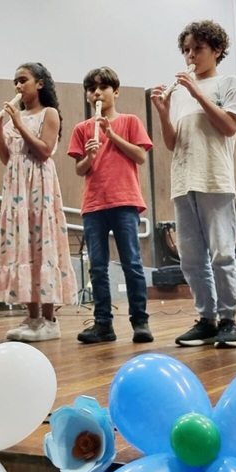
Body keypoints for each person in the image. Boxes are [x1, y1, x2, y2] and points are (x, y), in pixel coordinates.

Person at [152, 21, 236, 349]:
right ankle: (207, 319)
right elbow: (171, 143)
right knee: (191, 259)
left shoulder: (228, 83)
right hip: (183, 180)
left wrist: (197, 93)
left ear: (217, 50)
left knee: (222, 254)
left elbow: (229, 127)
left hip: (214, 178)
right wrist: (163, 112)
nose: (190, 55)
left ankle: (229, 319)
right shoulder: (179, 92)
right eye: (186, 50)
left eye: (198, 49)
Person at [0, 63, 77, 342]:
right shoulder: (15, 118)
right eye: (15, 81)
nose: (18, 86)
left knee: (42, 245)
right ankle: (33, 317)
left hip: (39, 184)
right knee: (22, 247)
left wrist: (18, 125)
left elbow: (44, 151)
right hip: (16, 187)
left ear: (39, 83)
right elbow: (8, 158)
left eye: (23, 80)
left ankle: (50, 320)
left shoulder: (48, 113)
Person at [68, 66, 153, 344]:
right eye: (91, 89)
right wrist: (90, 156)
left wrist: (112, 135)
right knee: (97, 267)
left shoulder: (129, 121)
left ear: (115, 92)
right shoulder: (82, 128)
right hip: (94, 204)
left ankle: (140, 322)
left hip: (125, 200)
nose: (97, 93)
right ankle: (103, 324)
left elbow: (140, 156)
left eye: (103, 87)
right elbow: (80, 169)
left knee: (132, 263)